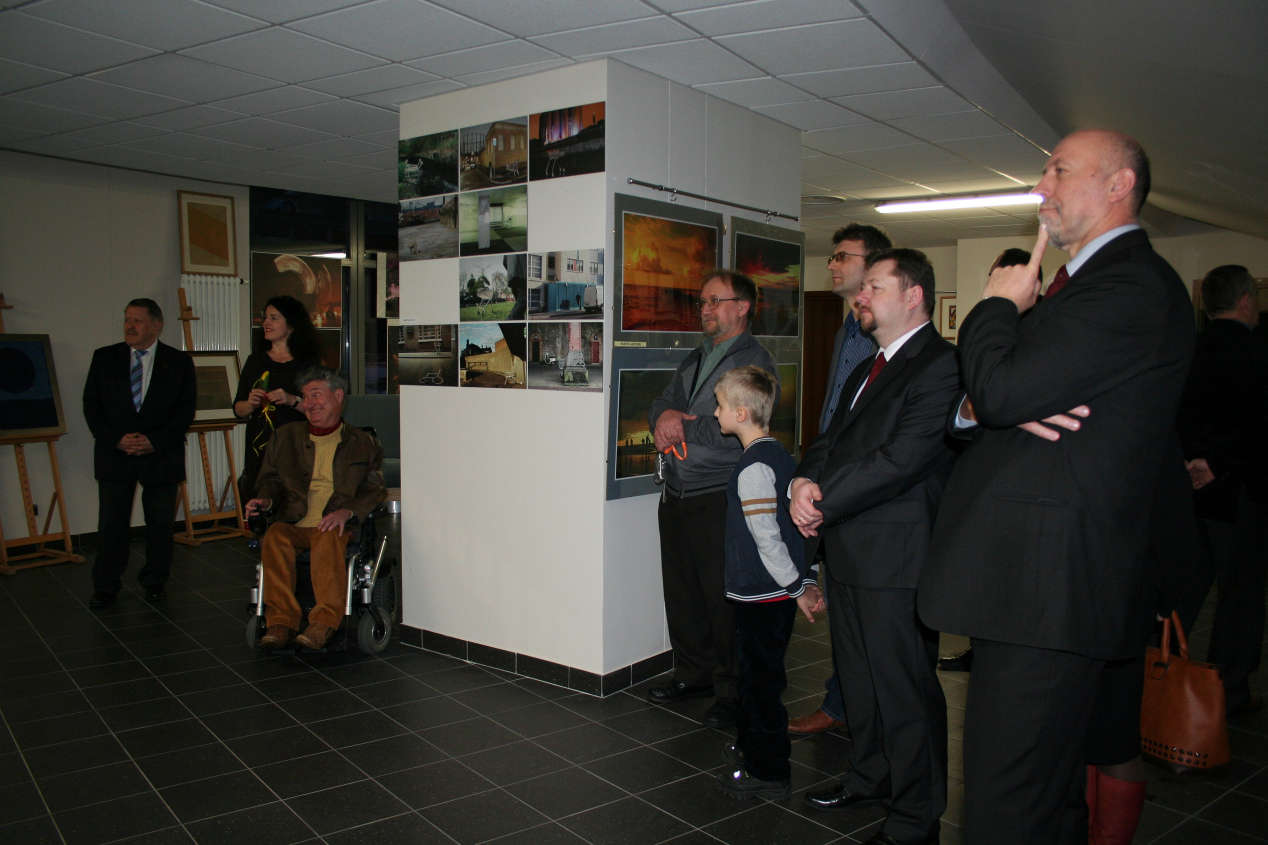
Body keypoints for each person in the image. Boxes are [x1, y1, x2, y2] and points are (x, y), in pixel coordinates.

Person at [919, 130, 1195, 844]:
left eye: (1060, 170)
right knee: (1041, 796)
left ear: (1118, 185)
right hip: (1030, 587)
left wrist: (995, 306)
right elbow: (993, 400)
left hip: (1050, 589)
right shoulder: (1081, 288)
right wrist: (993, 399)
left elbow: (1004, 388)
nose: (1041, 187)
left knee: (1009, 804)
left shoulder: (1130, 284)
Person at [792, 248, 960, 845]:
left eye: (874, 287)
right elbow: (830, 439)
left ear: (913, 295)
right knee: (859, 679)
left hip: (897, 557)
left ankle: (916, 816)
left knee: (903, 689)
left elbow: (903, 459)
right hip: (849, 549)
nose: (860, 297)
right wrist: (802, 480)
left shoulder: (942, 365)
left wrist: (822, 499)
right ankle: (869, 775)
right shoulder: (870, 366)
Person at [647, 271, 778, 729]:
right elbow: (662, 403)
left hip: (719, 495)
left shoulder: (754, 361)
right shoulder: (697, 356)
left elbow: (743, 426)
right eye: (702, 301)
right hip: (677, 492)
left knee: (723, 602)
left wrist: (681, 425)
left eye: (714, 301)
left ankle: (731, 691)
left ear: (742, 306)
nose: (705, 309)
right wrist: (664, 416)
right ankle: (693, 674)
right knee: (683, 593)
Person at [789, 222, 891, 737]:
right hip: (831, 472)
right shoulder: (846, 328)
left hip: (862, 486)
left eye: (843, 256)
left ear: (872, 266)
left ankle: (855, 709)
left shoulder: (880, 334)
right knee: (842, 606)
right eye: (832, 256)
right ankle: (844, 702)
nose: (831, 264)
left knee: (866, 613)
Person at [712, 365, 821, 800]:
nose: (715, 412)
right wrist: (804, 578)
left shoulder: (754, 468)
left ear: (740, 413)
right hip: (769, 593)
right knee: (754, 676)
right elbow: (799, 533)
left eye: (720, 405)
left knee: (761, 683)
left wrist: (796, 587)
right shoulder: (781, 456)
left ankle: (769, 769)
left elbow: (768, 539)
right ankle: (751, 747)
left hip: (764, 594)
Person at [935, 247, 1042, 675]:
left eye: (1002, 280)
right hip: (980, 491)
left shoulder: (1044, 336)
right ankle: (980, 652)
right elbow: (962, 408)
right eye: (993, 279)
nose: (993, 287)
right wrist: (969, 409)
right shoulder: (982, 334)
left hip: (1024, 497)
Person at [1177, 264, 1268, 715]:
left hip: (1188, 489)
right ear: (1246, 300)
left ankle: (1162, 669)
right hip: (1240, 492)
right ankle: (1228, 689)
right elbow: (1257, 426)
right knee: (1240, 595)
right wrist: (1216, 465)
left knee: (1185, 586)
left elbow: (1173, 414)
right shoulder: (1257, 352)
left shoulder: (1187, 350)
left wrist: (1192, 462)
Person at [245, 367, 385, 651]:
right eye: (306, 397)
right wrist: (265, 501)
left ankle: (323, 623)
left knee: (326, 533)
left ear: (338, 396)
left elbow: (374, 489)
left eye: (316, 395)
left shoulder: (362, 443)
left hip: (336, 524)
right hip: (294, 521)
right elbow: (270, 481)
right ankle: (280, 622)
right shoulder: (285, 437)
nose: (309, 403)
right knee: (275, 536)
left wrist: (347, 512)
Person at [83, 298, 196, 609]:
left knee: (160, 524)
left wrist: (154, 441)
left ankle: (155, 581)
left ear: (156, 325)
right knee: (112, 524)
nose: (130, 326)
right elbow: (91, 406)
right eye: (127, 319)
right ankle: (105, 586)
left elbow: (185, 411)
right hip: (115, 454)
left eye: (137, 320)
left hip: (160, 455)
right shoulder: (104, 358)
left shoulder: (178, 362)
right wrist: (116, 440)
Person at [234, 295, 318, 500]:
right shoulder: (255, 361)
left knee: (294, 503)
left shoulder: (307, 364)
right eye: (265, 318)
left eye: (273, 318)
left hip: (295, 448)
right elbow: (238, 409)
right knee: (259, 503)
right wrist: (251, 404)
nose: (266, 323)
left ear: (291, 325)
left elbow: (319, 410)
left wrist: (291, 400)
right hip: (260, 450)